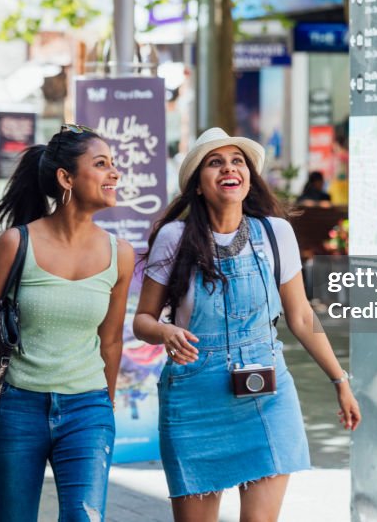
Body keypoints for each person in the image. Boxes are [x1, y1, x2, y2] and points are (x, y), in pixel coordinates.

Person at [134, 127, 360, 522]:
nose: (229, 168)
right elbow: (142, 321)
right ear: (198, 186)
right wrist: (165, 331)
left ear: (249, 177)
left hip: (266, 387)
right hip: (194, 394)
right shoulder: (174, 237)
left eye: (237, 161)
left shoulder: (275, 233)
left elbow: (302, 317)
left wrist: (340, 381)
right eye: (215, 162)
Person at [0, 125, 134, 522]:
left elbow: (111, 341)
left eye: (113, 164)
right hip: (15, 409)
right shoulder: (16, 244)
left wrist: (105, 406)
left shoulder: (121, 254)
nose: (114, 173)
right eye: (101, 164)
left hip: (88, 409)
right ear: (66, 178)